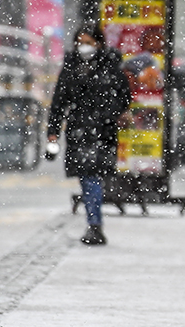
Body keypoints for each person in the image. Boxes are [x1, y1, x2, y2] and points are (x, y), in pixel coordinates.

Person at [47, 25, 132, 246]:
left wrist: (111, 114)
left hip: (103, 132)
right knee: (88, 176)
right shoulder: (71, 68)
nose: (83, 47)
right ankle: (94, 223)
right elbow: (58, 103)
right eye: (79, 43)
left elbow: (123, 96)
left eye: (88, 42)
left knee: (92, 176)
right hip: (79, 132)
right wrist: (53, 133)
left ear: (99, 44)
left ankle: (94, 223)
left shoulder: (111, 68)